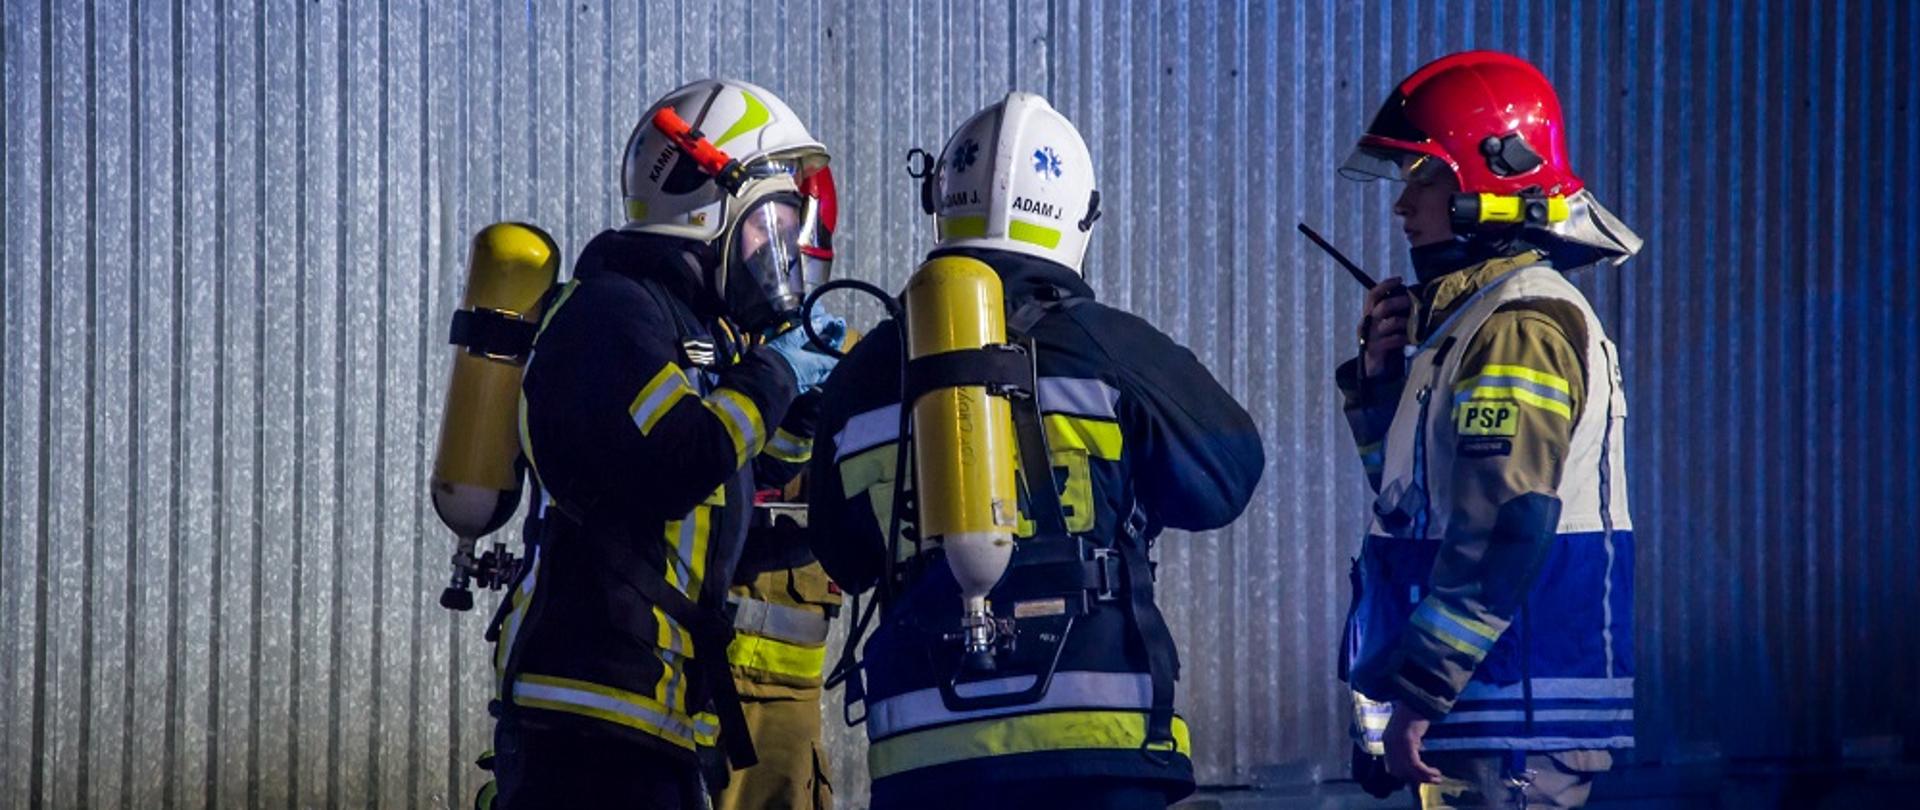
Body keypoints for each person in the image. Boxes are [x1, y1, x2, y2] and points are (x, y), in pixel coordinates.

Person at [806, 91, 1266, 810]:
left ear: (941, 205)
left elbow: (843, 557)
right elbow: (1227, 481)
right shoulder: (1113, 349)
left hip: (925, 758)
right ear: (1077, 216)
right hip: (1099, 750)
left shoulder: (861, 376)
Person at [487, 78, 844, 810]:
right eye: (769, 224)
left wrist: (800, 414)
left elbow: (733, 469)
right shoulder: (610, 315)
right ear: (709, 208)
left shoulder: (689, 330)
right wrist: (776, 376)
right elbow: (676, 461)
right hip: (592, 713)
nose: (778, 250)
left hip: (651, 714)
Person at [1335, 51, 1643, 809]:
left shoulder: (1519, 325)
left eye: (1423, 177)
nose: (1402, 205)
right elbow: (1419, 506)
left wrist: (1421, 691)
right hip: (1474, 714)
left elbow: (1502, 524)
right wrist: (1379, 387)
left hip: (1508, 715)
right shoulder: (1471, 325)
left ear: (1491, 181)